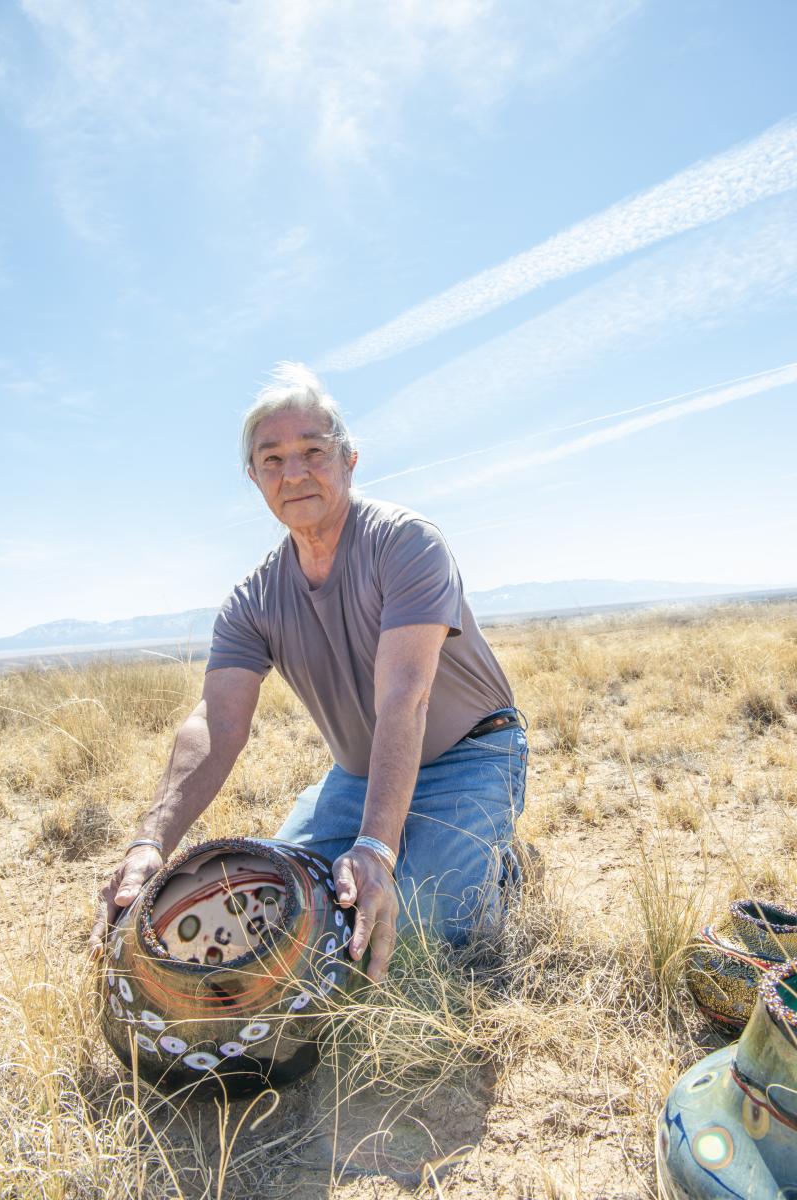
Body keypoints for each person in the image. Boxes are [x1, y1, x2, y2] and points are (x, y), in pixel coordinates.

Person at [89, 364, 527, 982]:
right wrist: (148, 845)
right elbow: (216, 723)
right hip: (357, 776)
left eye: (313, 452)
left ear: (349, 460)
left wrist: (375, 848)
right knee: (288, 913)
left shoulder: (406, 543)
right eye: (272, 459)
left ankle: (501, 867)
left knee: (422, 931)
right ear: (254, 478)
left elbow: (407, 696)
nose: (293, 473)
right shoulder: (253, 599)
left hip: (472, 755)